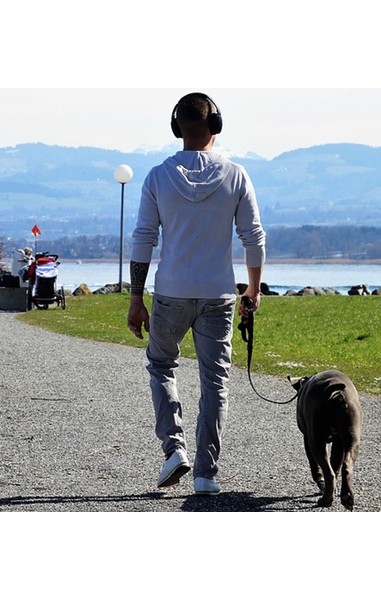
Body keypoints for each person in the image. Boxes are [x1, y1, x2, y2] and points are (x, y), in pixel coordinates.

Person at [127, 92, 266, 495]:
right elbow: (253, 237)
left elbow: (143, 240)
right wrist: (253, 287)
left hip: (170, 291)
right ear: (216, 125)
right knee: (215, 381)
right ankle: (206, 474)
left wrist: (137, 299)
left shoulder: (157, 177)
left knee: (161, 365)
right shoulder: (236, 175)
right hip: (218, 293)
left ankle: (174, 448)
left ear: (177, 128)